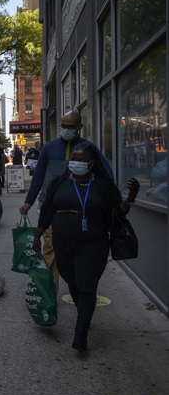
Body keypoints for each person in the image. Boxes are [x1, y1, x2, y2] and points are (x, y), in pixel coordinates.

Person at [32, 143, 139, 351]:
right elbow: (47, 210)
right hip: (63, 242)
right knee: (71, 280)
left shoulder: (103, 185)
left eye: (81, 160)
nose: (76, 163)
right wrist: (38, 236)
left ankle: (81, 332)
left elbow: (117, 213)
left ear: (91, 163)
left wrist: (130, 198)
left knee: (87, 285)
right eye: (74, 158)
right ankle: (84, 313)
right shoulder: (59, 181)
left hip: (94, 243)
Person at [20, 110, 114, 291]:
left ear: (80, 127)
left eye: (71, 127)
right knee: (50, 248)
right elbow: (39, 177)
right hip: (51, 206)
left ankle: (79, 285)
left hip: (81, 209)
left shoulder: (89, 149)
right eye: (63, 126)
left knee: (75, 249)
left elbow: (106, 174)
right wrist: (28, 201)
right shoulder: (49, 148)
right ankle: (50, 291)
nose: (65, 130)